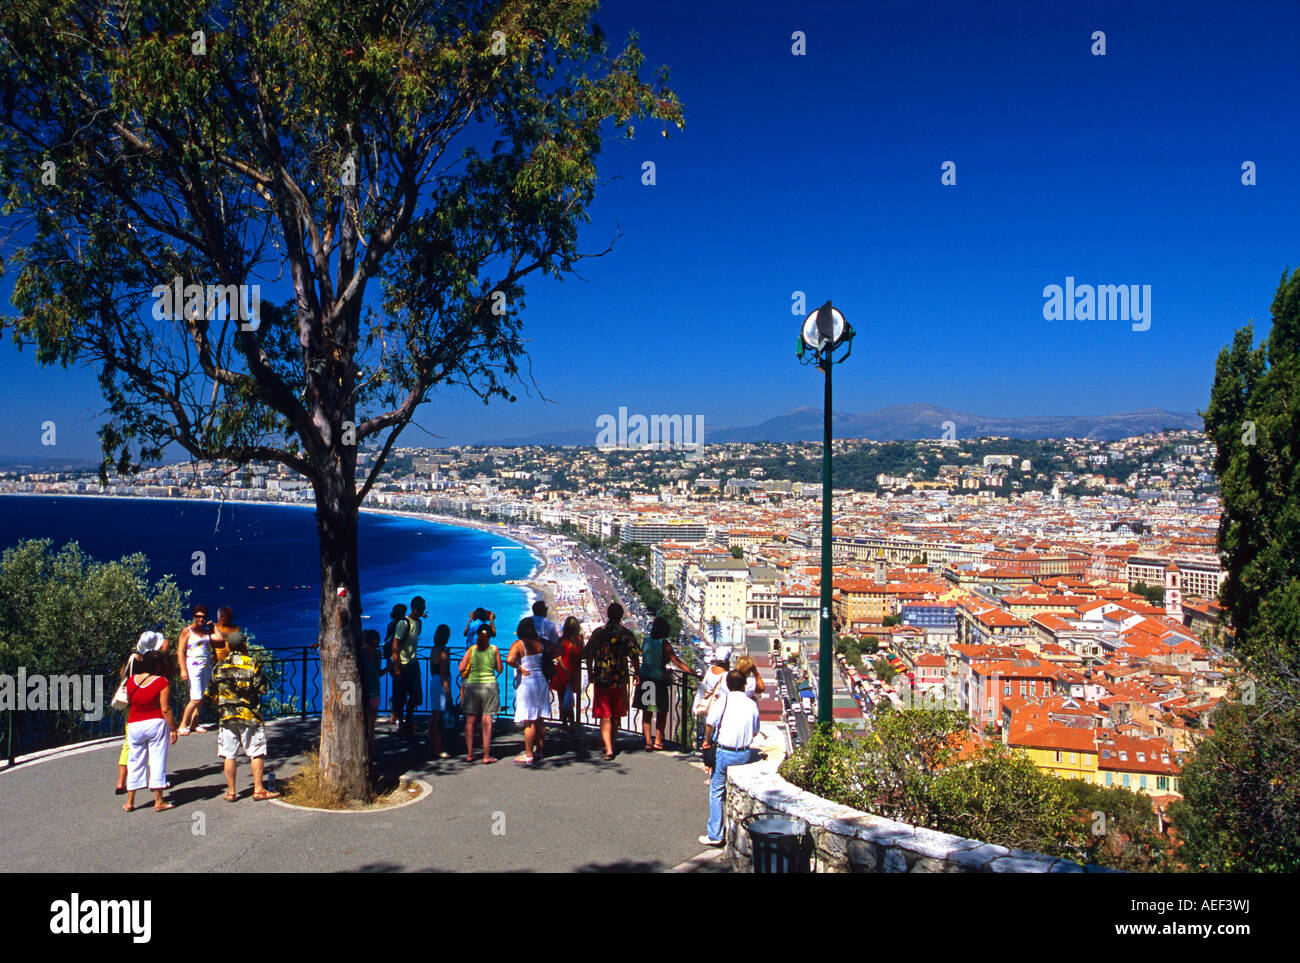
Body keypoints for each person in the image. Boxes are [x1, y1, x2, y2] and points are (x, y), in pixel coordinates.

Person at [204, 633, 278, 801]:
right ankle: (258, 789)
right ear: (244, 644)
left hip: (227, 717)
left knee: (229, 754)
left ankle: (231, 792)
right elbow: (262, 688)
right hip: (249, 715)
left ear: (229, 646)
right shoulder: (252, 664)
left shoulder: (220, 666)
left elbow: (210, 692)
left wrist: (223, 703)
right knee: (256, 752)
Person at [698, 669, 760, 847]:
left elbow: (710, 723)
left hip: (725, 752)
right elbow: (755, 730)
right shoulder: (752, 704)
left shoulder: (722, 701)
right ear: (744, 685)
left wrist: (707, 741)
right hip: (744, 753)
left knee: (716, 791)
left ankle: (715, 834)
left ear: (727, 684)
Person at [122, 649, 177, 813]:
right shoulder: (162, 682)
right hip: (155, 723)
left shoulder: (131, 680)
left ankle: (130, 801)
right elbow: (165, 709)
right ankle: (159, 801)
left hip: (134, 724)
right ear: (159, 665)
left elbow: (131, 701)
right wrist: (173, 729)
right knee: (157, 759)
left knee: (135, 761)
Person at [115, 631, 169, 795]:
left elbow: (122, 673)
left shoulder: (131, 657)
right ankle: (156, 781)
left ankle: (121, 782)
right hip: (149, 705)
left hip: (131, 704)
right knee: (155, 745)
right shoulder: (151, 662)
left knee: (128, 744)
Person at [584, 602, 640, 761]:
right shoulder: (626, 634)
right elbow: (634, 656)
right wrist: (636, 673)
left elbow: (588, 654)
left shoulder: (598, 633)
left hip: (602, 677)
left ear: (608, 615)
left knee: (605, 715)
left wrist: (589, 673)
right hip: (620, 678)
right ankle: (611, 744)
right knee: (616, 715)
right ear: (621, 616)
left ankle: (608, 748)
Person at [635, 616, 697, 751]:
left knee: (647, 712)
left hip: (645, 678)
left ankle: (647, 741)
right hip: (658, 681)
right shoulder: (664, 644)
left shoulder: (646, 641)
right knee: (661, 712)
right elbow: (676, 661)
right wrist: (691, 672)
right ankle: (657, 741)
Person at [507, 618, 549, 767]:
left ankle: (529, 754)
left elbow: (510, 659)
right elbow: (559, 650)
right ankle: (540, 750)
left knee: (528, 720)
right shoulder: (541, 643)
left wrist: (520, 667)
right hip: (542, 681)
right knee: (539, 718)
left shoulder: (520, 645)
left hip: (528, 683)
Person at [458, 623, 502, 763]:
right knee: (487, 720)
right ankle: (486, 755)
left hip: (472, 686)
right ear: (489, 636)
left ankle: (470, 753)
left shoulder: (471, 650)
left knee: (470, 720)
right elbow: (500, 669)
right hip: (489, 686)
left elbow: (461, 667)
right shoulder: (494, 649)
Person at [177, 605, 215, 735]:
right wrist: (183, 670)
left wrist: (213, 628)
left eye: (203, 617)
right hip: (193, 667)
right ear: (194, 617)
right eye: (198, 616)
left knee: (201, 696)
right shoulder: (187, 631)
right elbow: (180, 651)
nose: (200, 619)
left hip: (206, 666)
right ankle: (182, 724)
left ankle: (194, 724)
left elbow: (220, 639)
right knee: (196, 698)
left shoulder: (206, 631)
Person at [391, 596, 425, 735]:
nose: (421, 611)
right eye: (419, 609)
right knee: (401, 695)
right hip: (403, 664)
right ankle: (402, 723)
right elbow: (395, 645)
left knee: (416, 695)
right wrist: (397, 667)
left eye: (422, 608)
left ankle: (408, 719)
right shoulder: (403, 623)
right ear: (413, 608)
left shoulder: (419, 623)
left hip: (413, 663)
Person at [552, 616, 585, 733]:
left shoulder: (561, 641)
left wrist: (566, 670)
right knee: (572, 700)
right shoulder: (579, 640)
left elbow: (558, 657)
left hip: (562, 672)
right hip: (575, 673)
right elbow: (582, 654)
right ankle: (573, 723)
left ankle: (565, 724)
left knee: (562, 699)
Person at [426, 623, 453, 759]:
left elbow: (433, 670)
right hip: (441, 684)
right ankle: (438, 747)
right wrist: (448, 694)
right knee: (439, 717)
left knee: (434, 715)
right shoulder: (442, 652)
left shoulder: (433, 650)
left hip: (434, 682)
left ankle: (431, 746)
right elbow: (444, 674)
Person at [383, 603, 407, 724]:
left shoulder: (390, 624)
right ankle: (398, 716)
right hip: (397, 659)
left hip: (390, 660)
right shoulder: (400, 625)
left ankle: (393, 714)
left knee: (396, 687)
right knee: (400, 688)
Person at [359, 629, 382, 752]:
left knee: (371, 726)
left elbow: (377, 673)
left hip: (375, 691)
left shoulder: (378, 654)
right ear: (364, 643)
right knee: (362, 725)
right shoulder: (360, 655)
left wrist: (390, 668)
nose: (374, 647)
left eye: (376, 645)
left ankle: (370, 756)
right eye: (372, 644)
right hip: (362, 693)